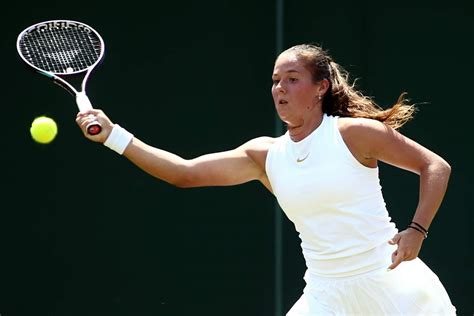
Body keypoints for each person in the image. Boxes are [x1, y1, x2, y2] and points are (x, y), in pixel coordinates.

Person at [76, 43, 456, 315]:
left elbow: (435, 167)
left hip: (390, 281)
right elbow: (183, 173)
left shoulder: (354, 134)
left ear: (321, 87)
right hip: (324, 296)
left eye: (292, 79)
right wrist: (112, 136)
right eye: (276, 81)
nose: (280, 89)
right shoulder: (265, 155)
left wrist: (417, 230)